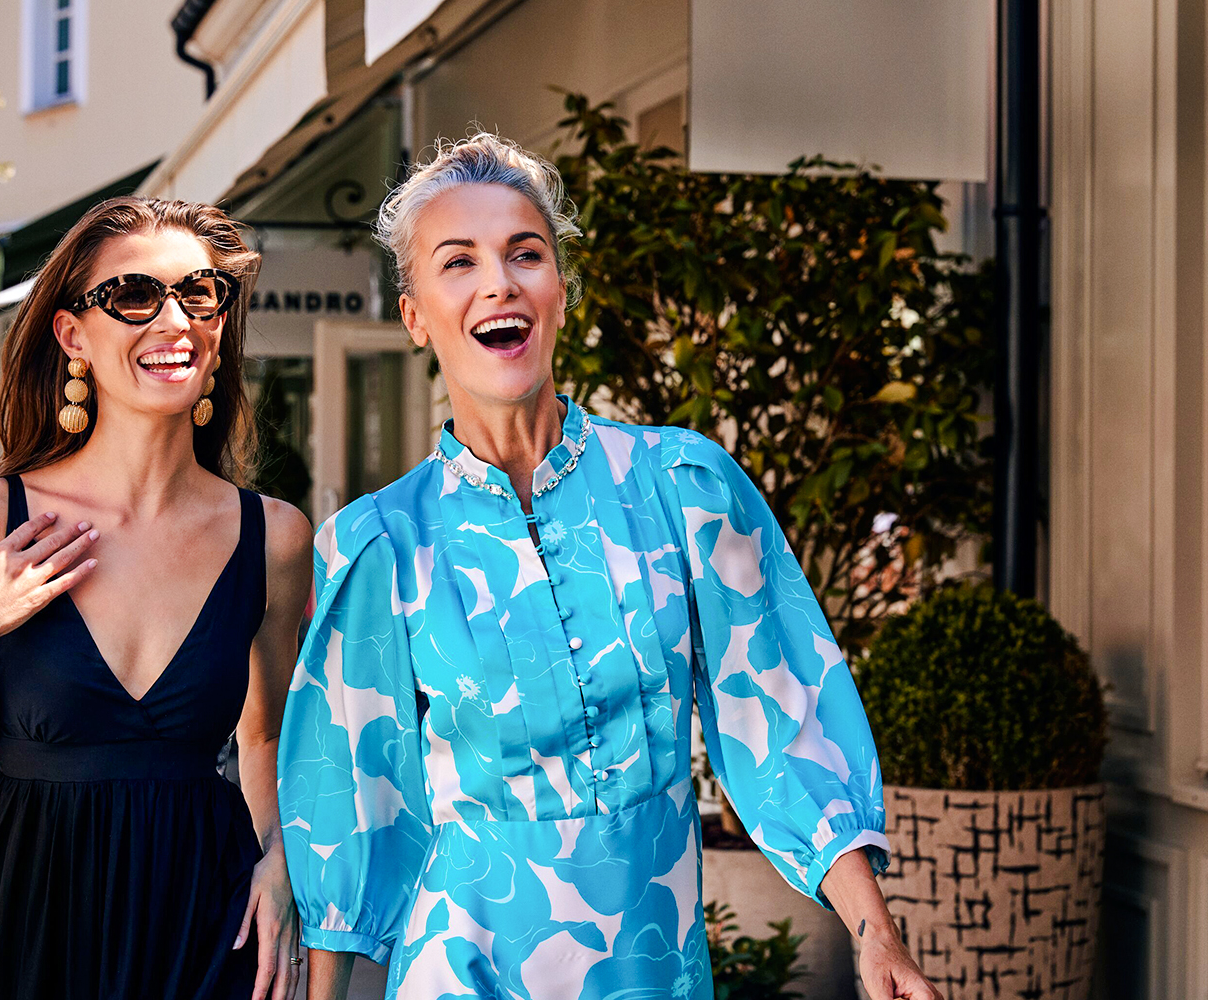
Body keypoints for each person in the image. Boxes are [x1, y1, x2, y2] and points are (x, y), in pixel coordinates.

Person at [278, 135, 943, 1000]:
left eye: (527, 254)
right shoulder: (379, 545)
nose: (500, 283)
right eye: (459, 262)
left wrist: (875, 933)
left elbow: (783, 716)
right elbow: (352, 813)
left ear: (560, 292)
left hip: (652, 968)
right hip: (460, 968)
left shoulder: (682, 486)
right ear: (415, 317)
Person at [0, 197, 310, 1000]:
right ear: (73, 334)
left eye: (200, 293)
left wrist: (281, 861)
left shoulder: (274, 537)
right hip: (34, 924)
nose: (174, 320)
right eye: (135, 296)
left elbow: (266, 739)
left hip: (209, 919)